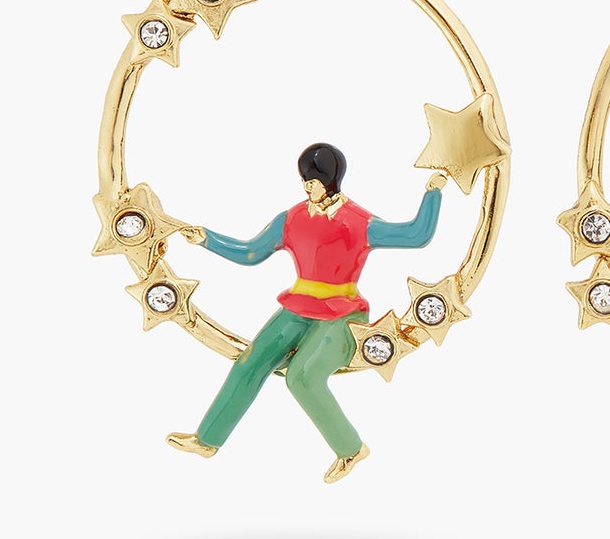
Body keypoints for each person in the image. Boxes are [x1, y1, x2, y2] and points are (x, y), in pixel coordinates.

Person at [167, 142, 446, 482]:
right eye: (304, 180)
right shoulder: (292, 219)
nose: (306, 187)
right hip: (298, 308)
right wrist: (207, 239)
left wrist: (433, 193)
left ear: (331, 180)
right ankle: (207, 439)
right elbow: (251, 253)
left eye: (312, 180)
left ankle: (350, 449)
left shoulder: (358, 222)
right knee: (249, 362)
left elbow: (416, 235)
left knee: (303, 376)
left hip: (342, 313)